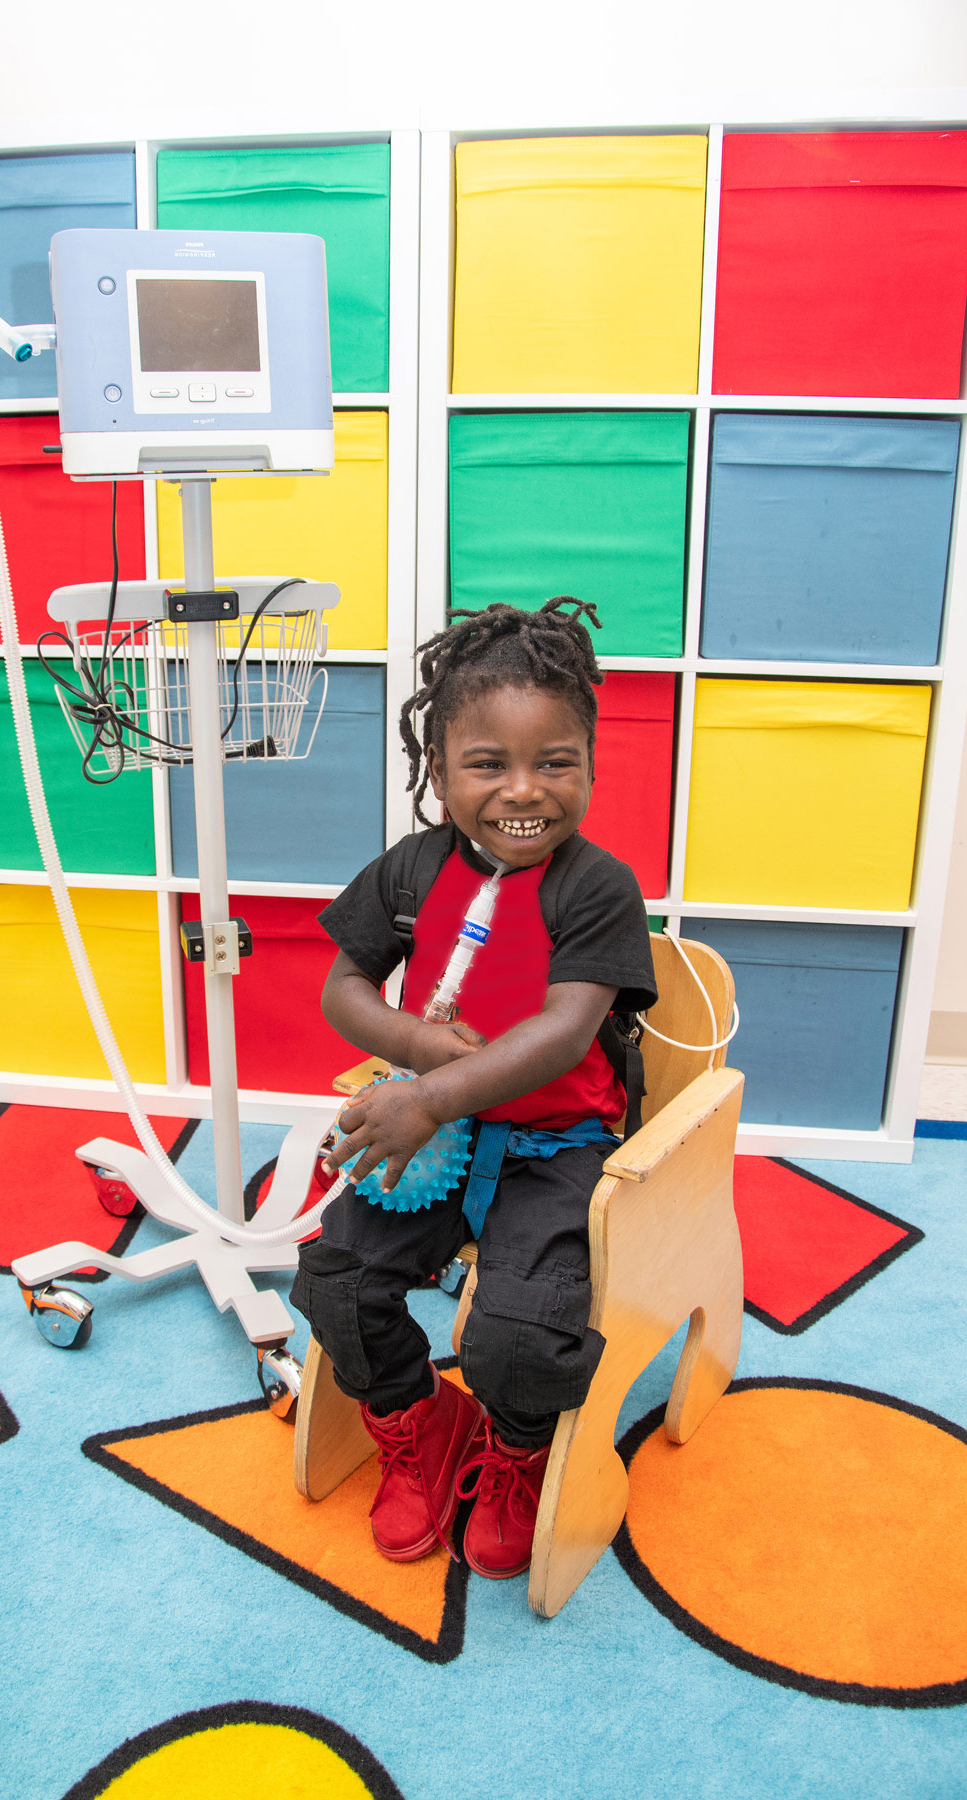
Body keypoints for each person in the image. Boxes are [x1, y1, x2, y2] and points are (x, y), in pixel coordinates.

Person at [291, 598, 657, 1580]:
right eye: (487, 764)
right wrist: (413, 1042)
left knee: (519, 1333)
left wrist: (429, 1094)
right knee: (334, 1281)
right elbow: (343, 988)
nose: (522, 790)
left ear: (589, 760)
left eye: (556, 761)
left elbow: (564, 1029)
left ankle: (518, 1451)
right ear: (438, 771)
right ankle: (420, 1421)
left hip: (556, 1144)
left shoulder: (599, 887)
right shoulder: (410, 872)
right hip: (436, 1140)